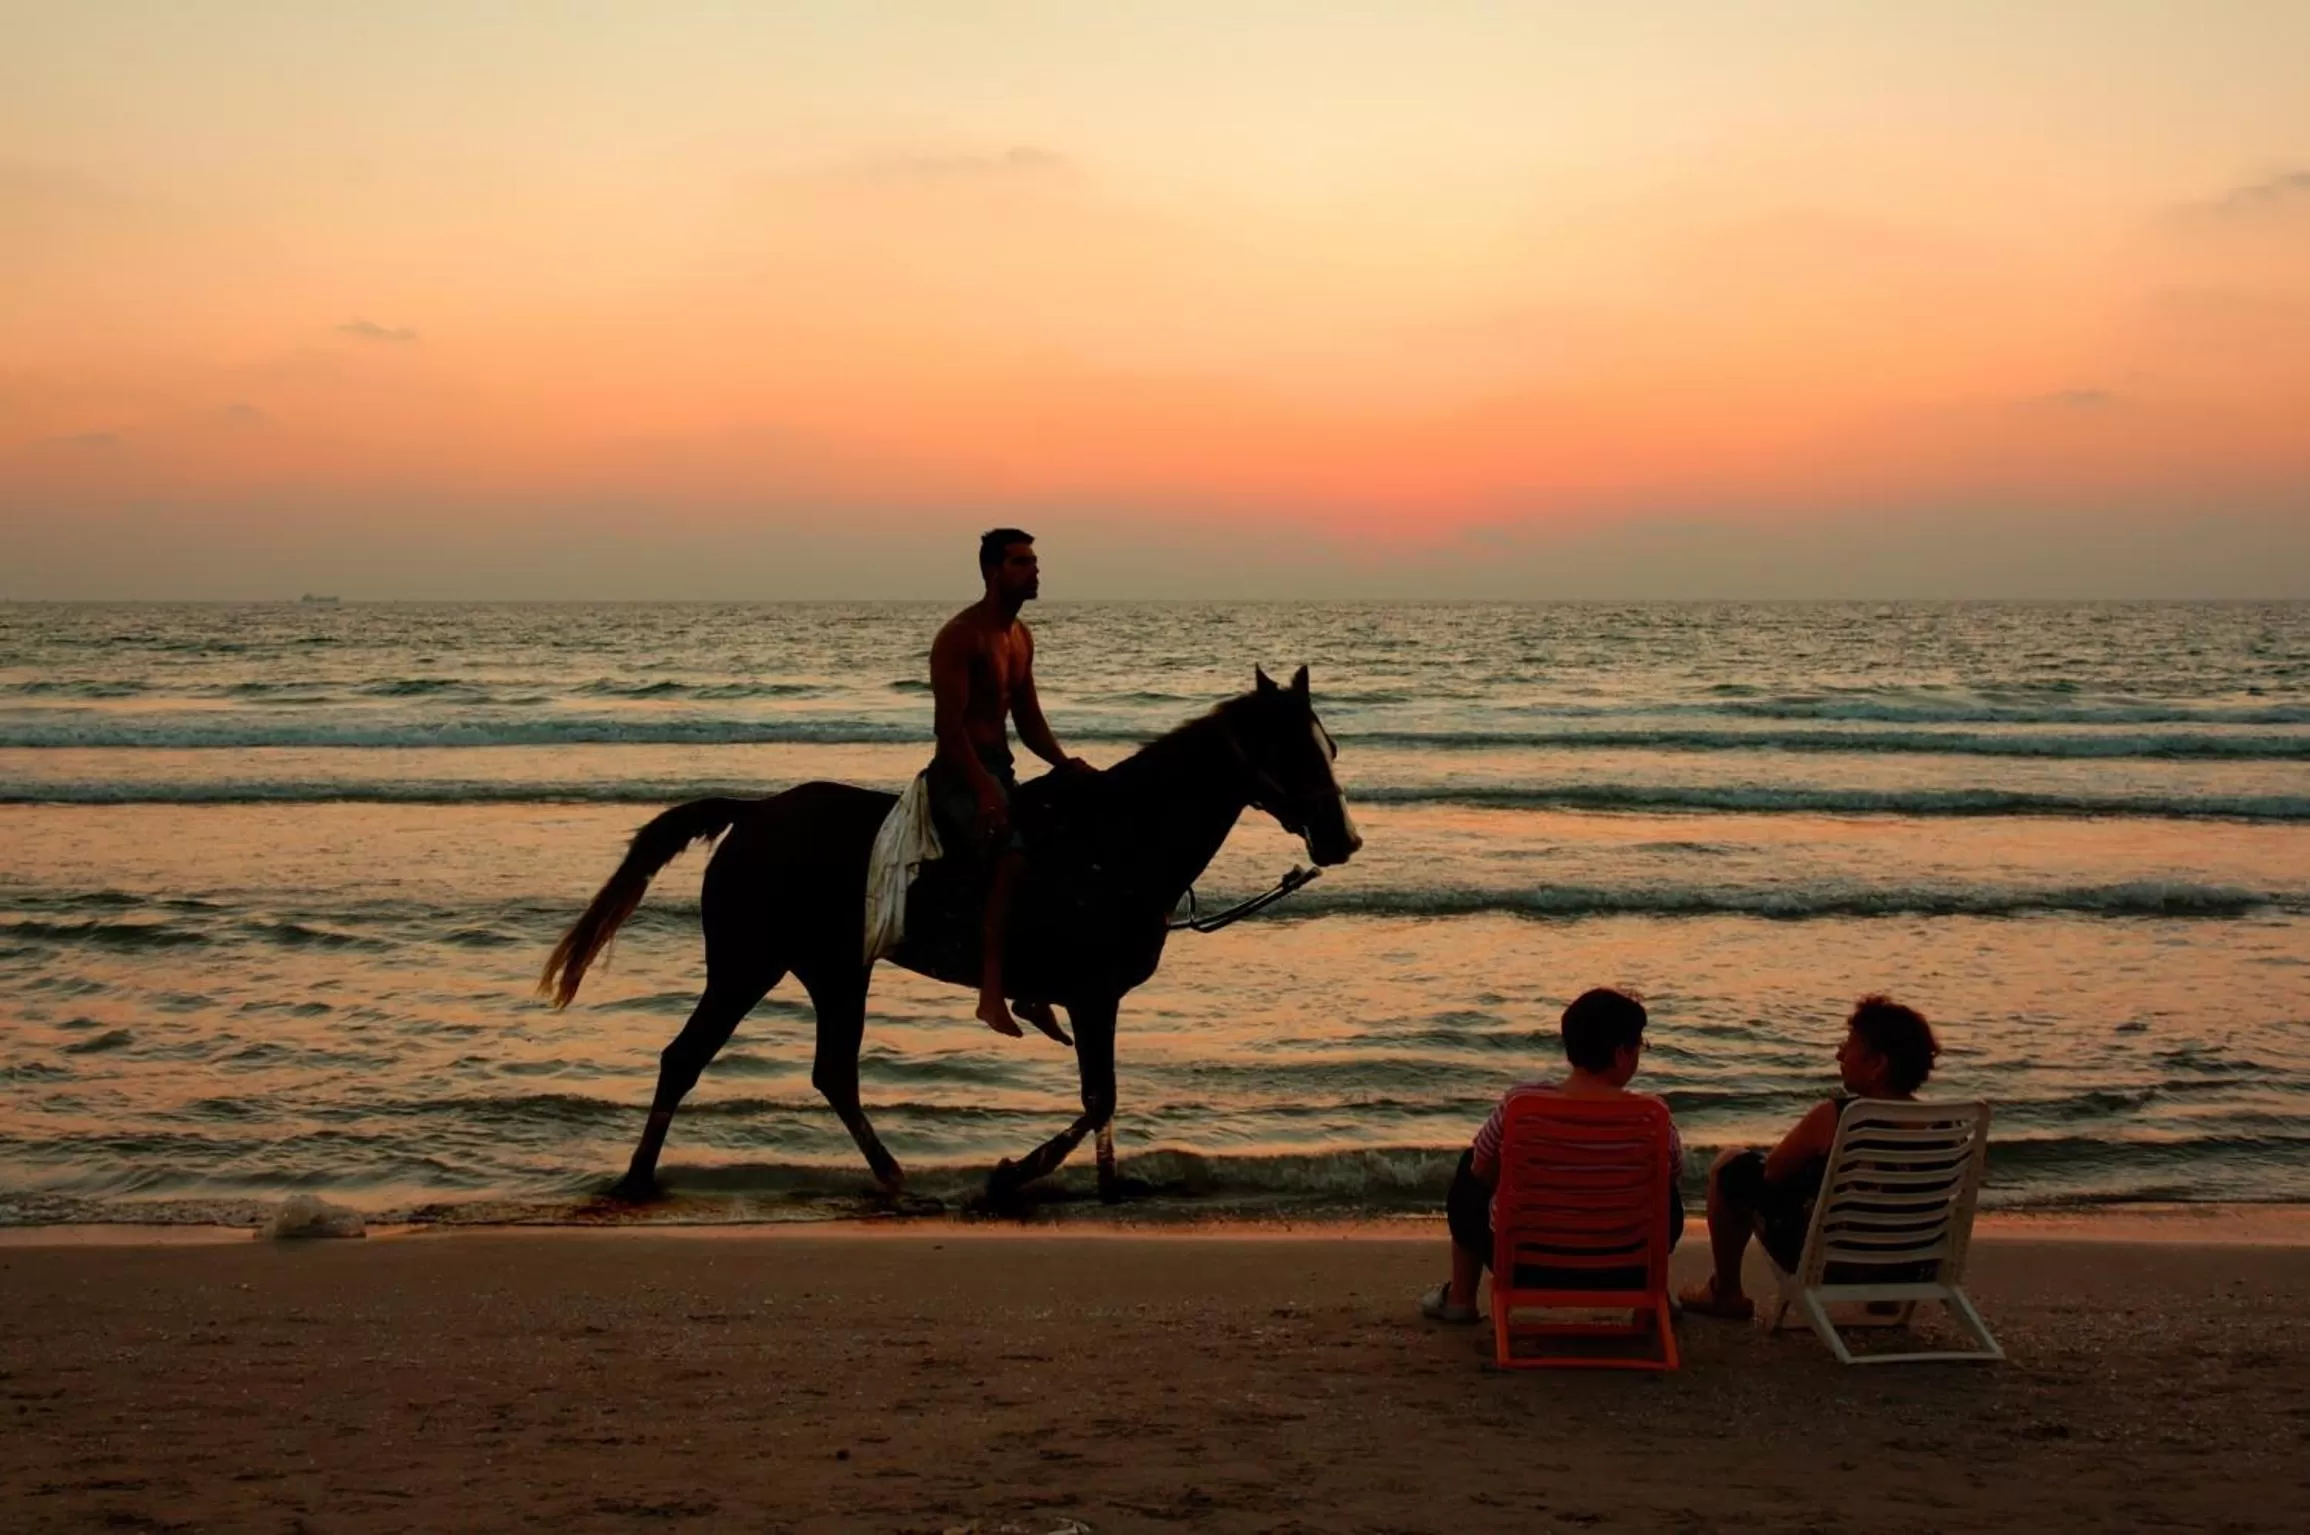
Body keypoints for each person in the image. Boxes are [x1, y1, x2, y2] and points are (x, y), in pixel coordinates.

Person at [1420, 987, 1684, 1324]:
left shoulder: (1522, 1105)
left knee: (1468, 1169)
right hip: (1626, 1269)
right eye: (1639, 1046)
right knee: (1664, 1189)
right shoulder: (1653, 1117)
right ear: (1620, 1054)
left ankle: (1459, 1300)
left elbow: (1481, 1172)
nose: (1638, 1055)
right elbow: (1673, 1179)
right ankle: (1653, 1300)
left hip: (1526, 1266)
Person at [1679, 995, 1942, 1320]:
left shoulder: (1838, 1116)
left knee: (1732, 1167)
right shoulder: (1947, 1123)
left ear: (1877, 1064)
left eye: (1849, 1045)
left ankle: (1727, 1293)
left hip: (1835, 1263)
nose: (1839, 1054)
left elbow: (1772, 1174)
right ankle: (1883, 1297)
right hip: (1912, 1265)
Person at [926, 528, 1090, 1041]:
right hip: (958, 775)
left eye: (1035, 561)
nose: (1034, 571)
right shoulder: (962, 636)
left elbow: (1030, 722)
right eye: (1021, 562)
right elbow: (947, 729)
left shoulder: (1020, 637)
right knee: (1012, 857)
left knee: (1063, 842)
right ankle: (991, 994)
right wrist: (981, 786)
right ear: (992, 572)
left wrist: (1066, 765)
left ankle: (1037, 987)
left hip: (1001, 767)